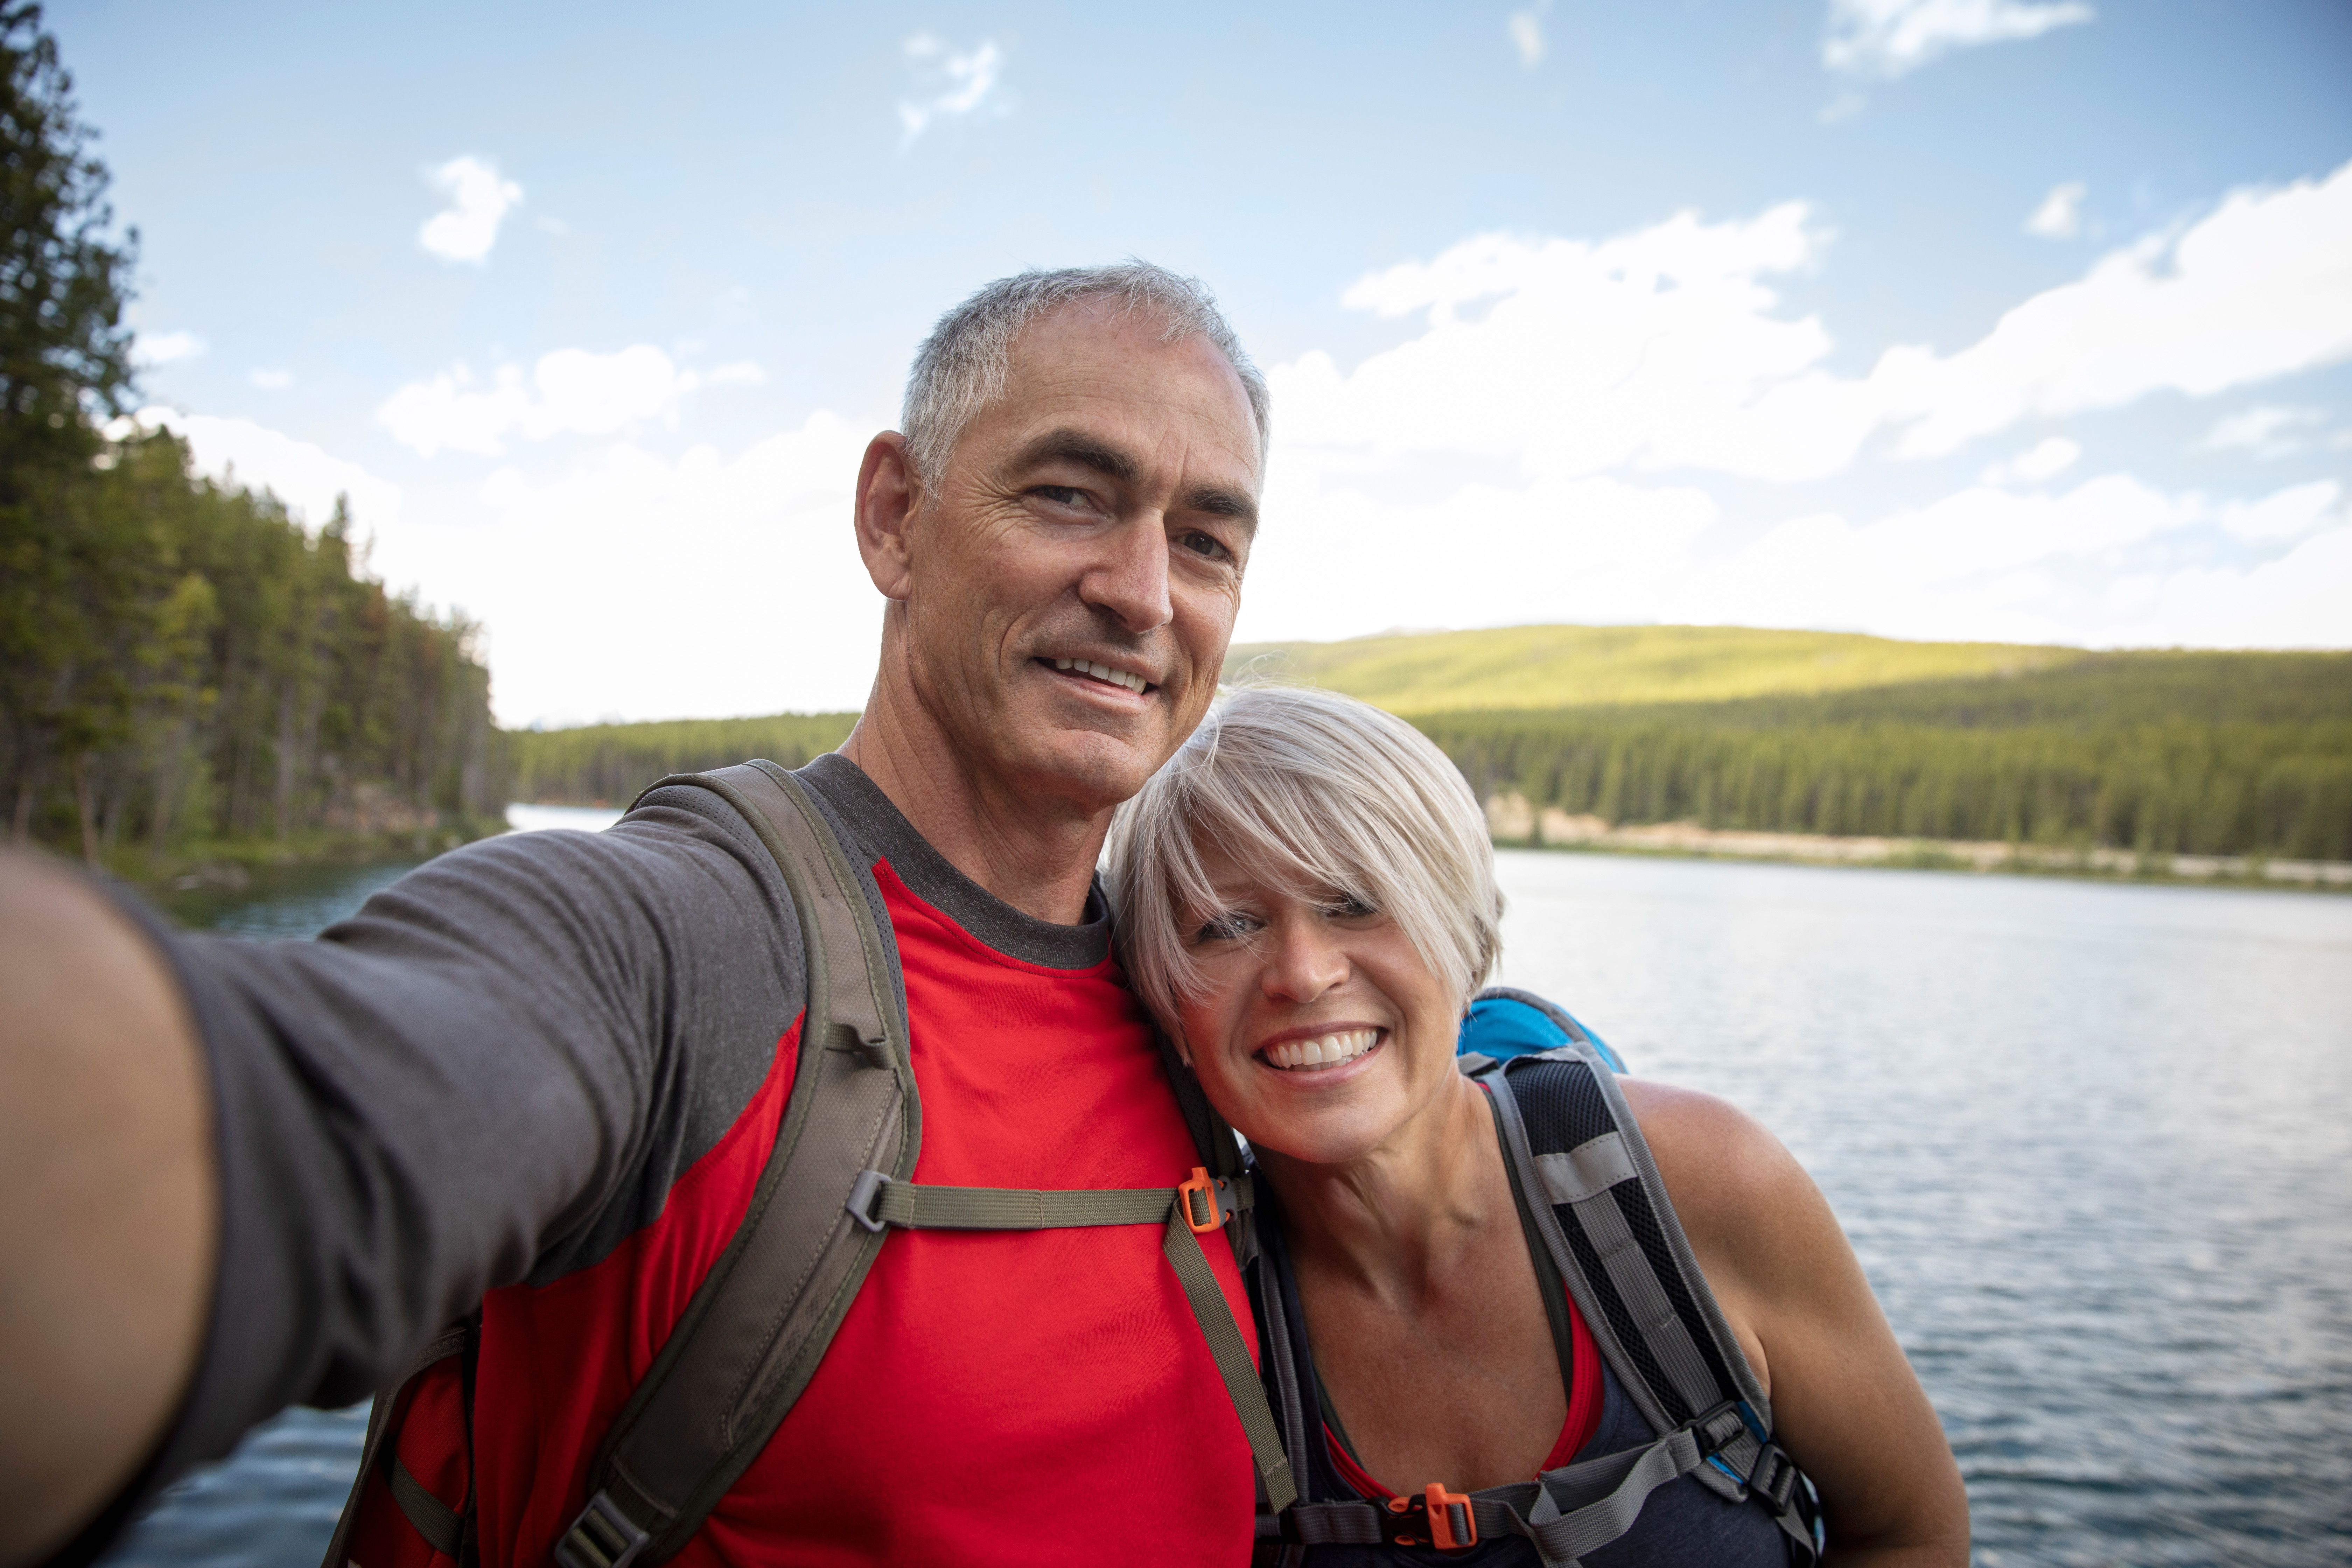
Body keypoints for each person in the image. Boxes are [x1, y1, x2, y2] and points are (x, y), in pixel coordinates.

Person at [0, 262, 1275, 1568]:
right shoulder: (687, 943)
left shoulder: (1215, 1016)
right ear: (895, 518)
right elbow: (286, 1120)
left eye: (1206, 542)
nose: (1143, 593)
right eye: (1071, 495)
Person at [1104, 686, 1972, 1566]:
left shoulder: (1700, 1183)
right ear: (1165, 1001)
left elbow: (1911, 1532)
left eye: (1357, 902)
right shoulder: (1186, 1320)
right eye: (1228, 926)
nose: (1303, 971)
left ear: (1464, 934)